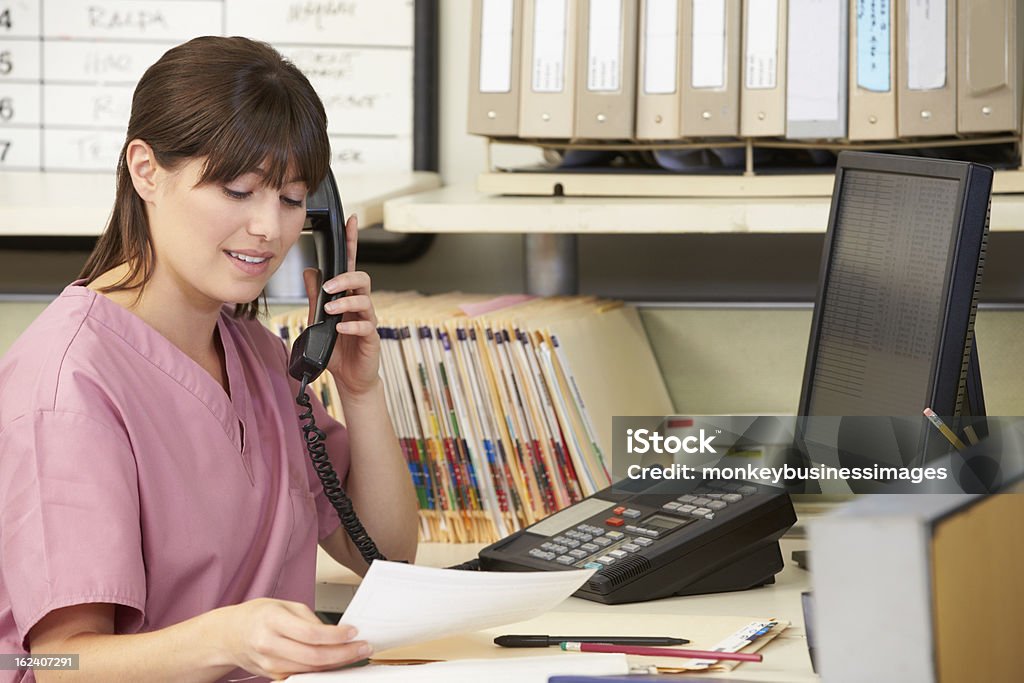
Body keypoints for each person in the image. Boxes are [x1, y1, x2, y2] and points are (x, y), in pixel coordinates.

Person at [0, 36, 418, 682]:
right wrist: (227, 637)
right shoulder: (69, 383)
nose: (269, 229)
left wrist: (361, 390)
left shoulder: (259, 355)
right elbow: (59, 663)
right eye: (237, 189)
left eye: (289, 198)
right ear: (146, 171)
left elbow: (388, 555)